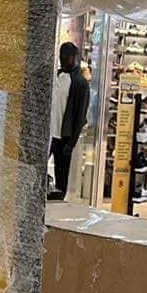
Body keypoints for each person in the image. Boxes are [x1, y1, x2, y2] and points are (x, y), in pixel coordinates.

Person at [49, 41, 90, 201]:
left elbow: (80, 116)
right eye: (61, 55)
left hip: (64, 137)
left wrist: (71, 142)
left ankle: (58, 204)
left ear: (75, 57)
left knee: (61, 174)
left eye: (67, 56)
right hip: (48, 134)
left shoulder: (80, 83)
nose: (64, 59)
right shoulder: (55, 76)